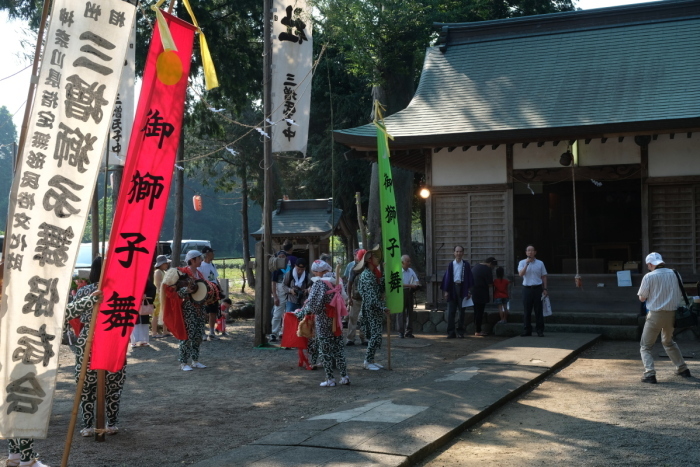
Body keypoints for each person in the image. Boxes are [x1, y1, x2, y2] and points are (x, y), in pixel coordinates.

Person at [1, 262, 51, 467]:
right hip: (18, 359)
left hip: (13, 359)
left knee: (13, 408)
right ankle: (26, 459)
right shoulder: (14, 300)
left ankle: (15, 456)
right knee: (22, 407)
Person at [72, 257, 125, 437]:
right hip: (111, 337)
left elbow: (75, 316)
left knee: (87, 384)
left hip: (89, 337)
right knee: (113, 383)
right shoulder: (118, 290)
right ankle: (112, 423)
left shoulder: (83, 291)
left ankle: (87, 425)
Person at [637, 252, 692, 384]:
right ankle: (683, 369)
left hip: (655, 314)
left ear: (650, 264)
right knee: (668, 341)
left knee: (645, 346)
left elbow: (642, 298)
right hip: (672, 314)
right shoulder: (675, 274)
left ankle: (650, 374)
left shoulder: (649, 276)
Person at [295, 260, 350, 386]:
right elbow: (345, 298)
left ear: (318, 271)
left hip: (324, 320)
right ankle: (344, 376)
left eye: (315, 271)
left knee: (325, 350)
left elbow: (314, 305)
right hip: (336, 320)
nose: (314, 273)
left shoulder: (320, 283)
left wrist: (301, 312)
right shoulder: (338, 281)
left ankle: (330, 379)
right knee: (338, 349)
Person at [355, 245, 389, 370]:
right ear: (369, 259)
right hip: (371, 308)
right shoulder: (367, 275)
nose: (377, 258)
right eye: (374, 256)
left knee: (376, 335)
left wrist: (385, 273)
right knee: (375, 335)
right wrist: (383, 307)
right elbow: (372, 297)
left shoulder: (372, 274)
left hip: (373, 308)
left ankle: (371, 359)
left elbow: (379, 290)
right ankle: (367, 361)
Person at [177, 250, 208, 371]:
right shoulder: (183, 274)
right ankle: (183, 362)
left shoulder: (199, 274)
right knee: (187, 336)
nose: (201, 260)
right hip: (188, 308)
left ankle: (195, 360)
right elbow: (177, 292)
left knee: (198, 335)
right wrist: (186, 291)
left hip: (199, 308)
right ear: (193, 260)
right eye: (199, 258)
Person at [440, 246, 474, 339]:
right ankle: (451, 332)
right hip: (452, 288)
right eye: (457, 251)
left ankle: (460, 332)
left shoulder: (466, 265)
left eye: (460, 251)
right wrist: (446, 291)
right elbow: (447, 278)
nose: (458, 253)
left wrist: (469, 291)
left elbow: (469, 279)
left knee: (462, 311)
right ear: (454, 253)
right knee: (451, 311)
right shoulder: (451, 264)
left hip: (463, 288)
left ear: (463, 253)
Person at [518, 245, 548, 337]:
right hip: (526, 288)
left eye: (532, 250)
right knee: (527, 310)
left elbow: (544, 276)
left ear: (535, 252)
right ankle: (527, 330)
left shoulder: (540, 263)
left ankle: (539, 330)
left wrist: (545, 288)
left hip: (537, 288)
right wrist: (527, 264)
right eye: (528, 251)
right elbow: (521, 274)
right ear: (526, 252)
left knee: (538, 310)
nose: (530, 252)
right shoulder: (522, 262)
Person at [198, 246, 222, 341]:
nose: (214, 255)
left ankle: (211, 332)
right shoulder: (201, 266)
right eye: (212, 253)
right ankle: (203, 332)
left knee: (213, 312)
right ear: (207, 254)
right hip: (206, 291)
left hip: (214, 291)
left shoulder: (212, 265)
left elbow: (215, 278)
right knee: (204, 312)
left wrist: (219, 288)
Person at [345, 249, 368, 347]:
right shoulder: (354, 269)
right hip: (355, 297)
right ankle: (350, 338)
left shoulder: (368, 268)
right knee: (352, 318)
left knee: (364, 318)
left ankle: (364, 338)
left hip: (366, 298)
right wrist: (349, 297)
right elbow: (349, 284)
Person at [471, 257, 497, 337]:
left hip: (473, 291)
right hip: (481, 292)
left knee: (476, 312)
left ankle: (476, 330)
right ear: (490, 264)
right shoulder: (487, 269)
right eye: (493, 266)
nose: (493, 268)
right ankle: (478, 331)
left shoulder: (476, 266)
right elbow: (490, 283)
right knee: (480, 312)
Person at [397, 254, 420, 338]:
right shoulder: (398, 271)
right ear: (402, 262)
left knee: (410, 312)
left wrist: (416, 284)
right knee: (401, 312)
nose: (409, 263)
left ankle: (409, 331)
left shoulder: (411, 270)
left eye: (409, 261)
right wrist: (411, 285)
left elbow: (416, 280)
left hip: (410, 292)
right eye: (407, 261)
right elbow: (399, 284)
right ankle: (400, 331)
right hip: (401, 292)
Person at [131, 274, 156, 347]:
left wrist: (146, 294)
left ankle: (143, 340)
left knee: (143, 321)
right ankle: (133, 341)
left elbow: (152, 288)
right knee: (133, 321)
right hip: (132, 302)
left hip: (142, 302)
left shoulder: (143, 278)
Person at [269, 250, 287, 342]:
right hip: (279, 292)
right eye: (279, 257)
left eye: (283, 256)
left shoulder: (290, 268)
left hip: (289, 292)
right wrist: (275, 296)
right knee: (277, 313)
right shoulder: (276, 269)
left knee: (287, 313)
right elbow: (274, 283)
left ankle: (283, 332)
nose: (281, 258)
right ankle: (274, 332)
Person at [152, 254, 171, 338]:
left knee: (164, 313)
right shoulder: (158, 272)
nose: (167, 264)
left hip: (164, 295)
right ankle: (154, 332)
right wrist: (162, 294)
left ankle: (165, 330)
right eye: (165, 263)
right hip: (158, 296)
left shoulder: (164, 272)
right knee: (156, 314)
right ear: (161, 264)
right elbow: (158, 285)